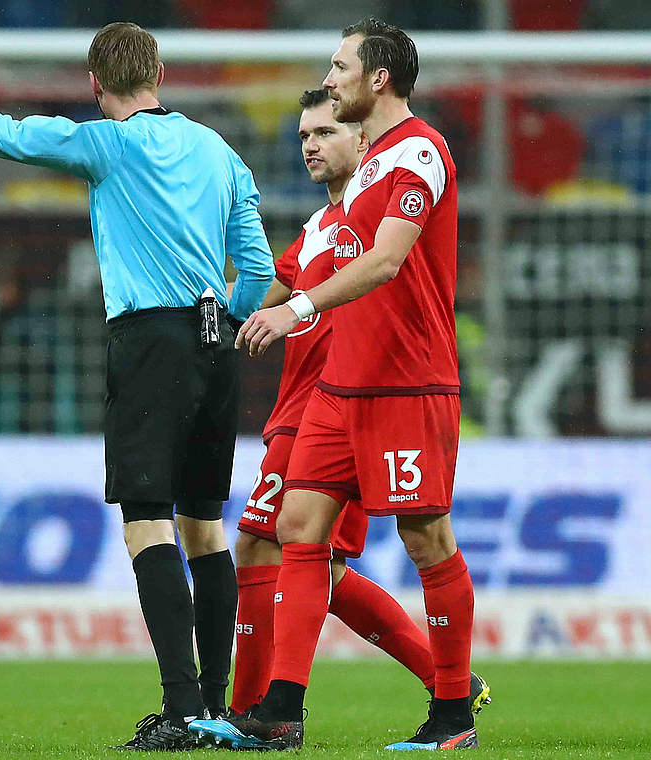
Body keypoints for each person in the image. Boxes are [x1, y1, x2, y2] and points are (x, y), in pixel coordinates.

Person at [0, 20, 275, 750]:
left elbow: (4, 135)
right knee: (205, 524)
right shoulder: (221, 153)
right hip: (215, 340)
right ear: (158, 74)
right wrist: (231, 320)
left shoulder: (106, 142)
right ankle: (217, 706)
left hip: (150, 340)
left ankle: (183, 708)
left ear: (95, 86)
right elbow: (257, 265)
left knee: (147, 518)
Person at [192, 18, 479, 751]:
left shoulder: (419, 152)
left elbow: (385, 262)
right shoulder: (369, 168)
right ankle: (280, 708)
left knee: (426, 539)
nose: (332, 73)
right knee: (295, 532)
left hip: (406, 386)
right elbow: (307, 269)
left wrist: (295, 308)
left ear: (377, 78)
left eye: (340, 63)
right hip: (339, 391)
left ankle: (452, 713)